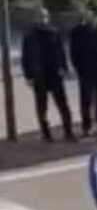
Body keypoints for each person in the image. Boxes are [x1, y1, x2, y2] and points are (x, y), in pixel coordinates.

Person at [22, 9, 76, 142]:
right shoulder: (29, 36)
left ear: (48, 17)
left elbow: (61, 51)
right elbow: (26, 57)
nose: (42, 19)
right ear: (35, 18)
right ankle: (46, 134)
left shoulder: (54, 32)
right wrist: (28, 76)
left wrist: (64, 67)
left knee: (63, 104)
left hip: (54, 73)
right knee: (41, 106)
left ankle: (68, 131)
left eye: (45, 16)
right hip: (39, 74)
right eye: (40, 16)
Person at [70, 14, 97, 135]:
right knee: (86, 100)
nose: (92, 18)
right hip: (86, 69)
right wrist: (78, 67)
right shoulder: (78, 32)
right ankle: (87, 126)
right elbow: (74, 52)